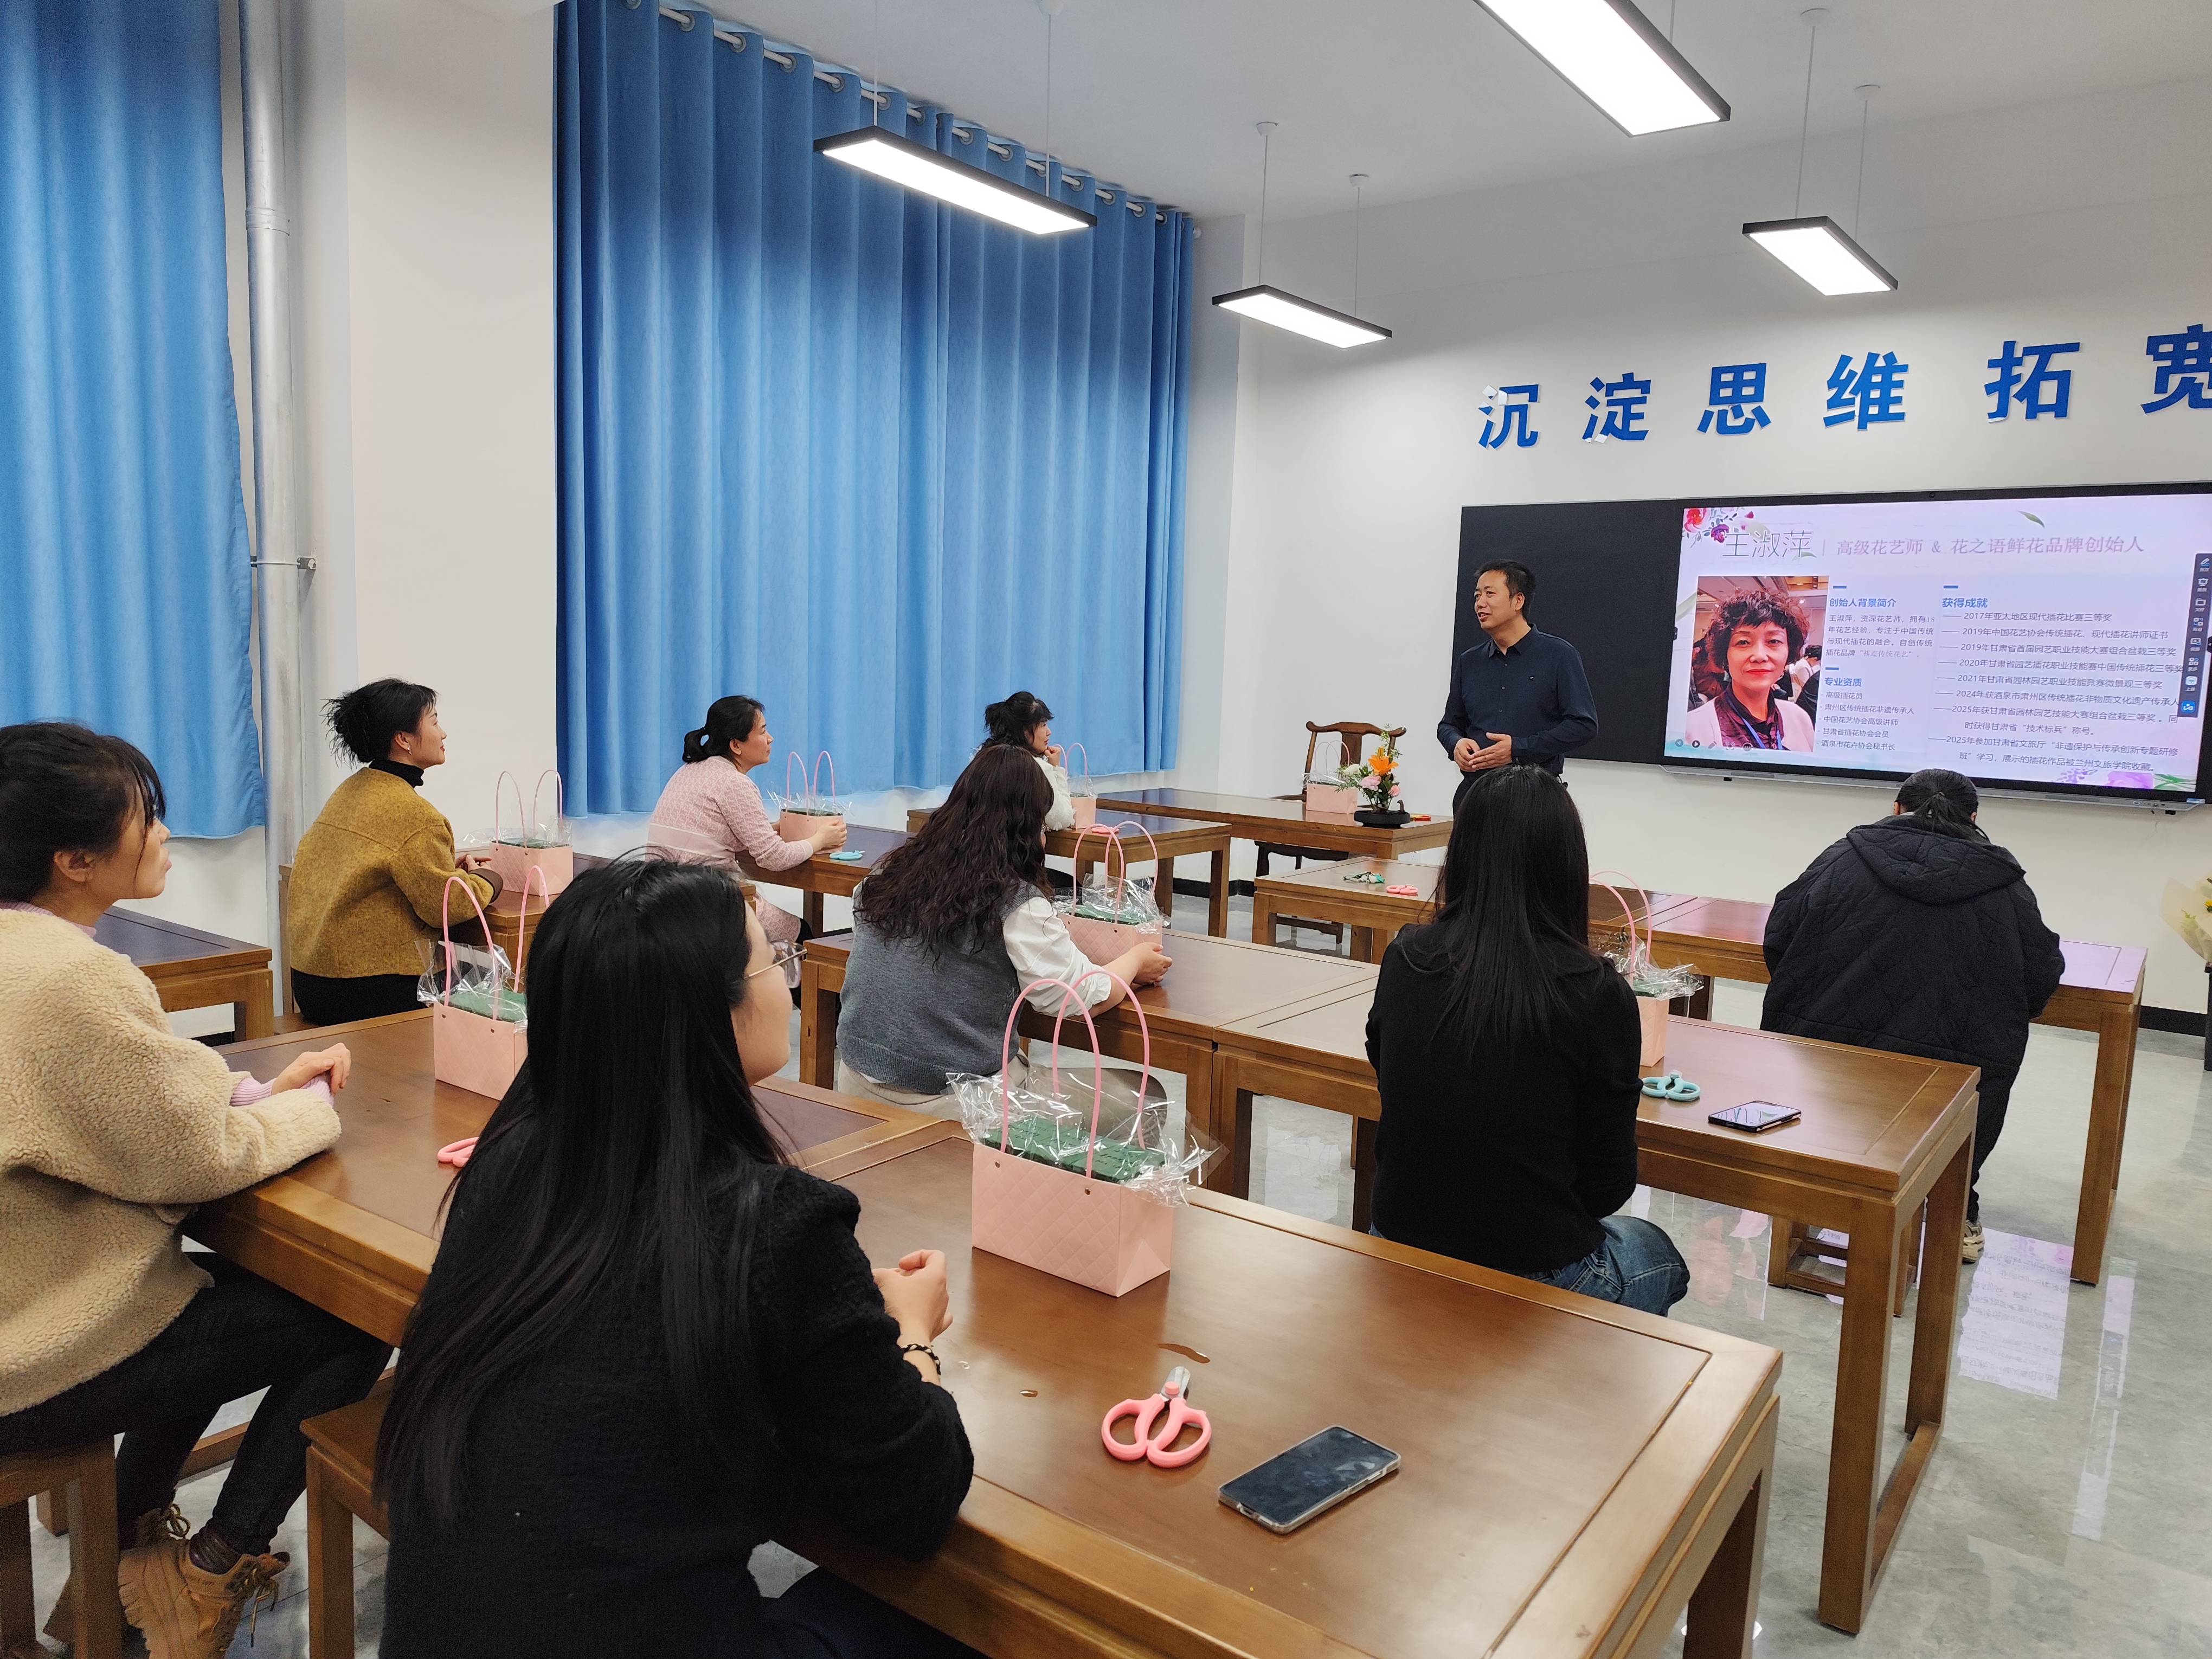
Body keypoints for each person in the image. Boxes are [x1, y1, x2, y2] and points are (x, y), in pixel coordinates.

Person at [374, 858, 975, 1657]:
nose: (786, 980)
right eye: (772, 959)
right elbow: (914, 1500)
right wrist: (913, 1338)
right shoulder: (777, 1225)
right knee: (963, 1612)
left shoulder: (512, 1157)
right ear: (711, 1013)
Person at [0, 722, 390, 1659]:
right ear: (74, 860)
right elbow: (196, 1158)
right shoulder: (72, 977)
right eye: (148, 817)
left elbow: (126, 1090)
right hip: (31, 1352)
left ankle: (120, 1555)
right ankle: (209, 1571)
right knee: (350, 1310)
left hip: (25, 1298)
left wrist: (248, 1089)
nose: (165, 834)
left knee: (206, 1299)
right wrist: (309, 1111)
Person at [1364, 766, 1688, 1315]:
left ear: (1462, 855)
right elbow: (1609, 1187)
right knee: (1657, 1253)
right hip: (1537, 1266)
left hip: (1397, 1242)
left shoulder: (1406, 956)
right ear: (1567, 865)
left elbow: (1390, 1073)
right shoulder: (1597, 991)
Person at [1760, 769, 2063, 1263]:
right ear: (1973, 818)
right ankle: (1957, 1210)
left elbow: (1780, 937)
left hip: (1826, 1058)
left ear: (1897, 808)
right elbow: (2040, 975)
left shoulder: (1842, 857)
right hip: (1951, 1074)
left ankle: (1812, 1193)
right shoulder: (2004, 882)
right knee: (1981, 1072)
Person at [836, 745, 1168, 1113]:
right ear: (1024, 830)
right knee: (1145, 1095)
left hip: (855, 1081)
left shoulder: (884, 876)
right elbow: (1076, 997)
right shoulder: (1015, 902)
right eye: (1041, 826)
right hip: (957, 1099)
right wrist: (1136, 961)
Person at [287, 679, 500, 1025]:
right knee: (496, 979)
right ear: (403, 739)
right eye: (434, 722)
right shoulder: (414, 814)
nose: (443, 733)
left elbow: (375, 870)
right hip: (367, 990)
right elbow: (448, 907)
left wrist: (446, 870)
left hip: (312, 985)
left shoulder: (349, 791)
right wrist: (486, 879)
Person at [652, 696, 847, 978]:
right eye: (763, 731)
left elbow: (714, 831)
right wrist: (820, 840)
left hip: (669, 900)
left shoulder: (689, 770)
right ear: (736, 745)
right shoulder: (734, 783)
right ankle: (808, 1005)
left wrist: (772, 828)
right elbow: (774, 858)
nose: (770, 738)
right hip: (711, 904)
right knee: (803, 936)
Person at [1437, 559, 1599, 807]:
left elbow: (1583, 725)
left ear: (1518, 601)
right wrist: (1456, 743)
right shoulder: (1469, 661)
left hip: (1535, 795)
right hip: (1475, 795)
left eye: (1490, 594)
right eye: (1477, 596)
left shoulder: (1559, 655)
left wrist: (1518, 749)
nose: (1480, 603)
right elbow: (1449, 724)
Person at [1682, 591, 1817, 752]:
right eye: (1743, 642)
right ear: (1725, 653)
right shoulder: (1692, 729)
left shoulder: (1799, 718)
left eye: (1773, 641)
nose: (1759, 656)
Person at [983, 690, 1076, 831]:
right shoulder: (1035, 767)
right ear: (1024, 731)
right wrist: (1056, 768)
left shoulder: (984, 756)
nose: (1049, 732)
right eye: (1043, 725)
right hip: (1012, 845)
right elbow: (1062, 819)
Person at [1797, 644, 1824, 725]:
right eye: (1818, 663)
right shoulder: (1803, 667)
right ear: (1815, 659)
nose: (1817, 665)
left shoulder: (1805, 665)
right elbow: (1806, 685)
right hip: (1802, 697)